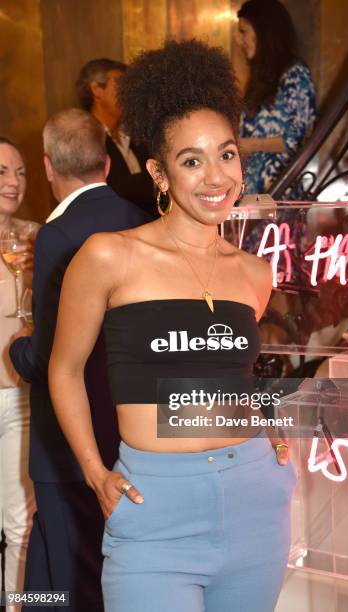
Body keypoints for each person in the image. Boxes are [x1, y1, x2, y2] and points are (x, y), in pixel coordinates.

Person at [48, 41, 297, 612]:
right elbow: (63, 369)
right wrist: (93, 471)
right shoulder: (108, 256)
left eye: (227, 154)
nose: (217, 177)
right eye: (192, 160)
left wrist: (272, 426)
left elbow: (232, 374)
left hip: (257, 500)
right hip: (155, 506)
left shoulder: (255, 274)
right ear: (159, 173)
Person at [9, 110, 149, 611]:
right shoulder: (142, 220)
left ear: (48, 167)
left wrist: (16, 349)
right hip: (128, 426)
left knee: (63, 574)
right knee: (95, 564)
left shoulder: (59, 234)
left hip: (68, 440)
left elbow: (51, 354)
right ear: (107, 163)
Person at [0, 137, 37, 610]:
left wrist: (39, 280)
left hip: (17, 399)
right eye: (2, 172)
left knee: (22, 523)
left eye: (22, 171)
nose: (14, 182)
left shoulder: (35, 236)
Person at [237, 0, 316, 196]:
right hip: (252, 198)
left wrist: (248, 145)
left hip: (281, 197)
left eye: (244, 31)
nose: (241, 40)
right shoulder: (261, 81)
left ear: (263, 32)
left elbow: (297, 140)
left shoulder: (296, 75)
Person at [76, 58, 154, 213]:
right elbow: (109, 189)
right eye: (119, 83)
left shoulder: (136, 132)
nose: (128, 91)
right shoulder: (83, 136)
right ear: (96, 89)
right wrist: (158, 180)